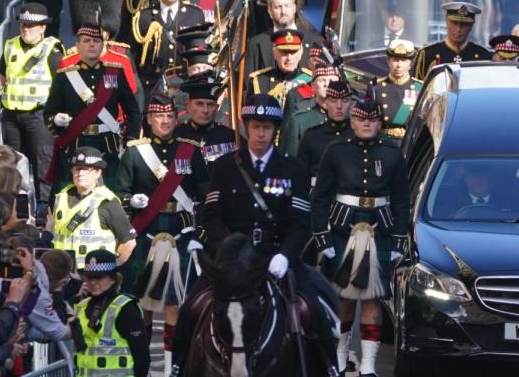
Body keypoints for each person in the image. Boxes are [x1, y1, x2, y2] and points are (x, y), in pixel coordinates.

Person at [171, 94, 339, 377]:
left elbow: (301, 222)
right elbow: (211, 215)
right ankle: (177, 365)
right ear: (244, 126)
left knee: (315, 305)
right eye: (255, 126)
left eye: (267, 127)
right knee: (192, 305)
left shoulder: (293, 168)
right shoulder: (224, 166)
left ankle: (330, 366)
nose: (261, 133)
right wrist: (227, 250)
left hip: (275, 256)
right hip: (231, 260)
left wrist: (285, 256)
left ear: (276, 130)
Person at [311, 96, 408, 377]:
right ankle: (340, 356)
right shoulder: (335, 150)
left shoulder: (392, 153)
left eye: (372, 119)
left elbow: (402, 200)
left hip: (380, 228)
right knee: (343, 297)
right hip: (343, 228)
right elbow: (320, 198)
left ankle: (368, 365)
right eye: (361, 119)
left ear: (380, 122)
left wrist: (400, 240)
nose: (366, 123)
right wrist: (323, 238)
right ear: (352, 121)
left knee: (372, 299)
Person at [117, 93, 207, 365]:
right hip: (147, 229)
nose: (165, 121)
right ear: (149, 119)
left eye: (169, 116)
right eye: (159, 116)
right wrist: (131, 202)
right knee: (144, 299)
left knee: (174, 300)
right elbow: (120, 193)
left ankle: (171, 362)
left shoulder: (189, 150)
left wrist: (199, 231)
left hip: (180, 230)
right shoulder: (135, 152)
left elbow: (205, 195)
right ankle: (142, 360)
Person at [43, 24, 142, 191]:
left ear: (103, 45)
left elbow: (132, 110)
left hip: (107, 144)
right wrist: (58, 122)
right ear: (77, 45)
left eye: (96, 41)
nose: (92, 44)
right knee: (69, 191)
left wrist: (130, 139)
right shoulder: (65, 76)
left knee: (110, 192)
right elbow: (49, 113)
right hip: (75, 142)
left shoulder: (115, 73)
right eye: (86, 41)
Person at [0, 3, 63, 202]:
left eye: (31, 25)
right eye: (23, 24)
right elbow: (3, 75)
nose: (26, 28)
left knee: (43, 164)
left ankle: (44, 209)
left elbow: (63, 84)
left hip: (39, 116)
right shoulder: (10, 46)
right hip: (11, 116)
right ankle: (11, 206)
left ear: (43, 27)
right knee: (11, 164)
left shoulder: (53, 51)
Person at [52, 148, 137, 269]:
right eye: (77, 169)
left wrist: (110, 269)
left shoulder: (108, 202)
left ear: (98, 173)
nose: (81, 173)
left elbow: (129, 242)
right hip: (61, 272)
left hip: (91, 276)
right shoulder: (60, 197)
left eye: (87, 169)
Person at [131, 0, 206, 94]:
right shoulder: (144, 17)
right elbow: (134, 55)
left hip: (184, 83)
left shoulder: (194, 15)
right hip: (152, 85)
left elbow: (200, 53)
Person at [72, 248, 150, 377]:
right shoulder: (80, 306)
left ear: (113, 279)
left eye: (99, 278)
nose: (93, 282)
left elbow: (142, 357)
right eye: (89, 277)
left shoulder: (126, 309)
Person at [413, 2, 490, 80]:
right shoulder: (427, 54)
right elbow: (417, 86)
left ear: (471, 25)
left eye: (464, 24)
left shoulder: (483, 56)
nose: (458, 29)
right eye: (454, 23)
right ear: (447, 21)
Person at [245, 0, 313, 75]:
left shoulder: (314, 41)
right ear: (269, 11)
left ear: (294, 8)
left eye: (287, 6)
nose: (283, 11)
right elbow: (248, 85)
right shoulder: (255, 44)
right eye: (278, 7)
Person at [172, 75, 237, 165]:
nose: (205, 110)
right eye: (199, 104)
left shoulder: (230, 137)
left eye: (210, 104)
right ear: (188, 106)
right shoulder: (176, 135)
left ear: (217, 108)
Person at [297, 80, 354, 179]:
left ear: (351, 104)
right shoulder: (312, 136)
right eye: (333, 100)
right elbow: (300, 175)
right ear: (326, 103)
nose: (339, 106)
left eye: (344, 101)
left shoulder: (358, 135)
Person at [280, 61, 338, 155]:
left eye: (332, 80)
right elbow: (291, 157)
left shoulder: (350, 117)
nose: (327, 84)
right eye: (322, 80)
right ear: (313, 86)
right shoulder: (299, 119)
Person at [375, 39, 425, 145]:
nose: (399, 65)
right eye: (396, 60)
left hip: (410, 143)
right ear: (388, 61)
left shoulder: (419, 88)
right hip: (383, 142)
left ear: (410, 64)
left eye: (404, 60)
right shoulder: (377, 87)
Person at [247, 30, 313, 105]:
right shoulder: (259, 81)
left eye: (293, 52)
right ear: (275, 54)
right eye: (284, 52)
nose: (289, 58)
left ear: (300, 54)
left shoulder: (310, 81)